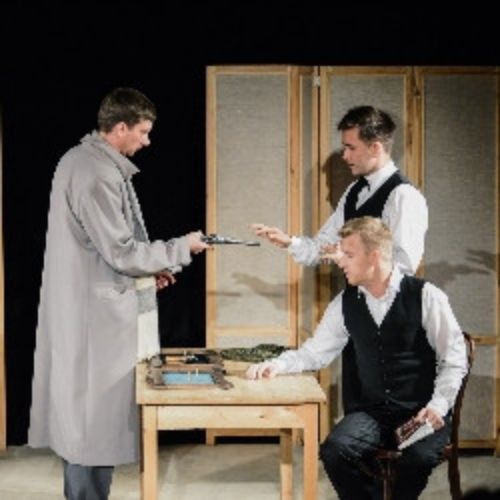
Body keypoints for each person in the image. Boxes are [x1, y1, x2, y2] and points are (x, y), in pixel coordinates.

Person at [28, 87, 209, 499]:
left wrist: (148, 273)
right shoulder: (95, 173)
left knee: (88, 422)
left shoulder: (85, 161)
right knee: (90, 423)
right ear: (121, 127)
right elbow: (121, 251)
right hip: (94, 319)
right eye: (143, 132)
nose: (147, 141)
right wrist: (182, 247)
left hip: (88, 306)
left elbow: (101, 250)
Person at [247, 216, 467, 500]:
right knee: (334, 450)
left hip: (423, 411)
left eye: (348, 254)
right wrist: (277, 365)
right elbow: (314, 353)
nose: (340, 260)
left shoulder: (426, 296)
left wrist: (438, 405)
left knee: (417, 460)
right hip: (372, 413)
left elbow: (454, 358)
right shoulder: (344, 302)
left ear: (374, 256)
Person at [251, 105, 428, 275]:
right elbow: (325, 246)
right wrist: (289, 242)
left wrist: (345, 259)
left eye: (351, 148)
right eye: (345, 148)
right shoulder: (354, 190)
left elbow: (403, 268)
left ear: (375, 148)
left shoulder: (403, 196)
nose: (345, 155)